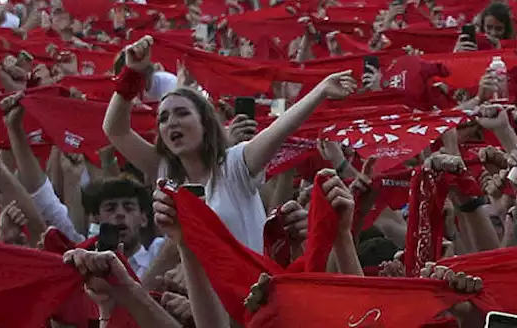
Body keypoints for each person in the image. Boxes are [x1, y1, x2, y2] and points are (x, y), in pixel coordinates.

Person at [102, 37, 356, 251]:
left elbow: (280, 129)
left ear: (206, 123)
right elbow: (115, 129)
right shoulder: (165, 172)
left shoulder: (235, 166)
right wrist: (132, 73)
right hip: (201, 303)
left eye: (182, 113)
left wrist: (321, 90)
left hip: (250, 296)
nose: (171, 123)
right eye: (164, 118)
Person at [81, 177, 166, 277]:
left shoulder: (159, 256)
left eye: (129, 208)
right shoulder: (84, 267)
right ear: (96, 219)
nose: (120, 213)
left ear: (143, 219)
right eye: (110, 208)